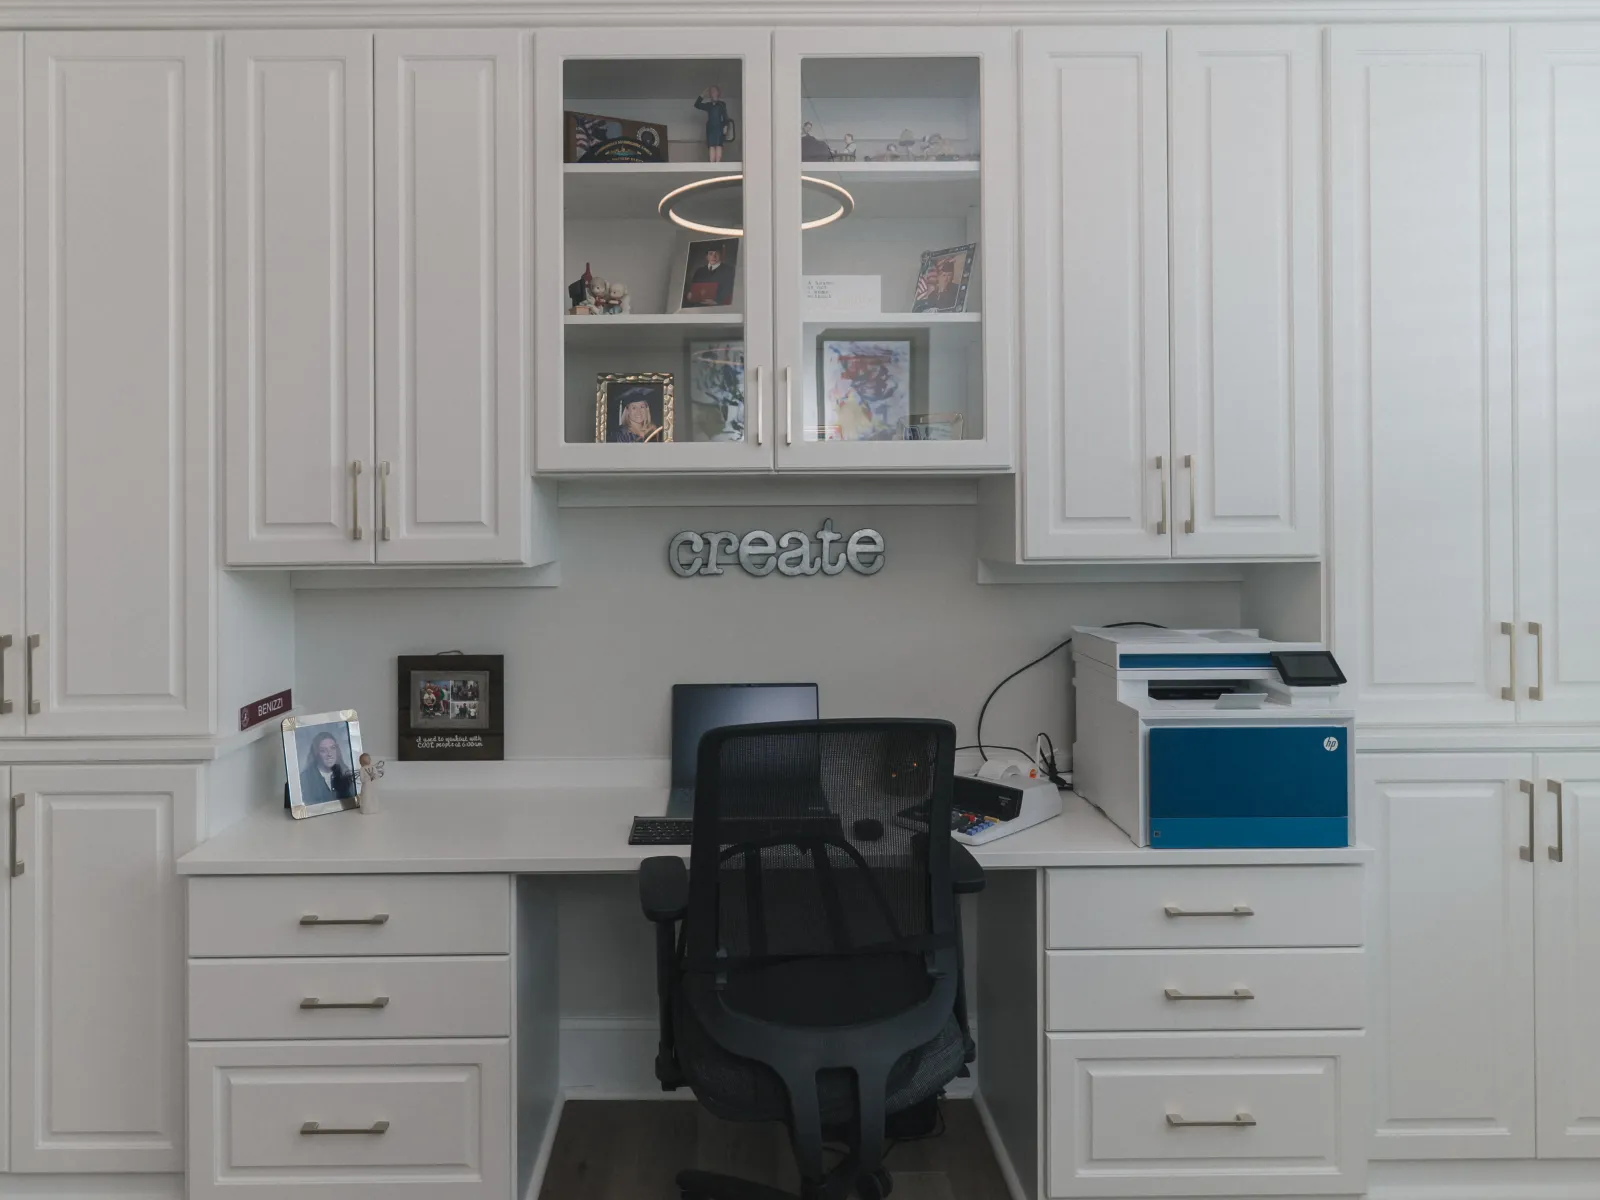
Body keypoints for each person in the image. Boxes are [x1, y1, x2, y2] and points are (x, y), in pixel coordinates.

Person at [299, 730, 354, 804]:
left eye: (332, 748)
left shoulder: (345, 774)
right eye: (323, 750)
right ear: (316, 753)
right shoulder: (305, 779)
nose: (329, 754)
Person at [694, 86, 729, 164]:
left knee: (718, 145)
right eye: (711, 91)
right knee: (711, 145)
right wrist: (703, 95)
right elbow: (697, 105)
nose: (713, 93)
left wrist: (725, 126)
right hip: (711, 128)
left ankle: (718, 163)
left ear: (718, 93)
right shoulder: (708, 105)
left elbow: (725, 116)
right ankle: (712, 163)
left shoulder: (722, 104)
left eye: (714, 91)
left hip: (719, 127)